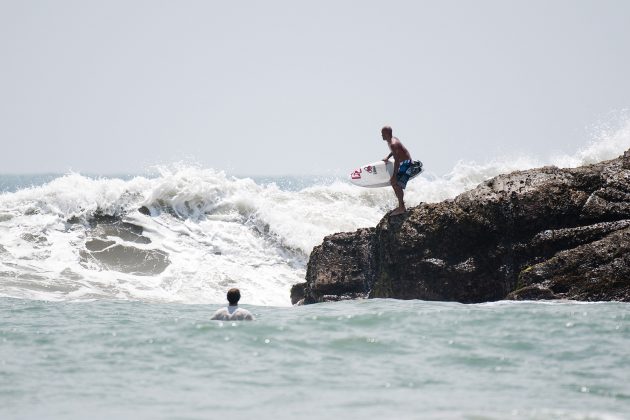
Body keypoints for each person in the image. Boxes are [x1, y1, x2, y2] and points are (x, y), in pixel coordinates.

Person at [381, 126, 423, 215]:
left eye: (383, 133)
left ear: (387, 134)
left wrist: (394, 176)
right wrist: (388, 157)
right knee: (395, 184)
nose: (381, 135)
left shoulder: (393, 143)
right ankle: (401, 206)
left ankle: (401, 207)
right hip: (403, 162)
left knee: (395, 183)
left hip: (406, 164)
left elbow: (396, 161)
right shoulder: (392, 140)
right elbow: (395, 152)